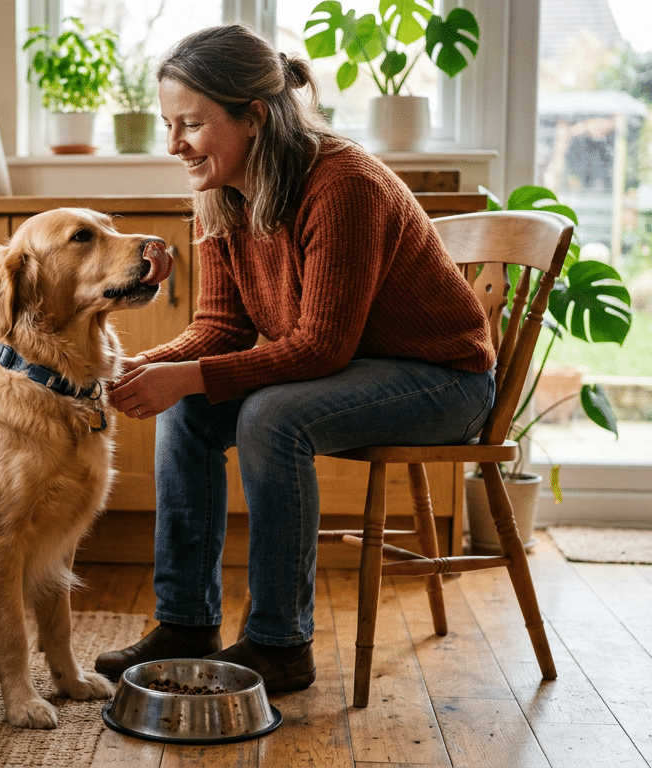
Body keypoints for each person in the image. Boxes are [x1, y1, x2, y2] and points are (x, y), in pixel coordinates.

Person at [93, 24, 497, 692]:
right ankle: (186, 623)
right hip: (350, 373)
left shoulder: (344, 185)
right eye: (168, 124)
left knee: (271, 417)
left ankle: (281, 644)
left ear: (253, 116)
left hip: (442, 381)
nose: (173, 144)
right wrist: (140, 369)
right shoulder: (218, 190)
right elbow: (220, 327)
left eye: (191, 124)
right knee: (189, 409)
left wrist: (185, 374)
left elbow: (320, 345)